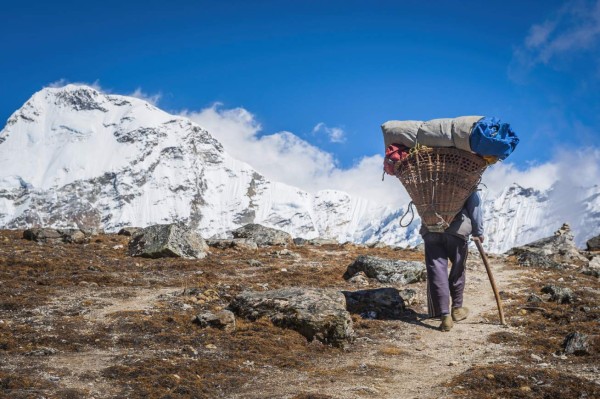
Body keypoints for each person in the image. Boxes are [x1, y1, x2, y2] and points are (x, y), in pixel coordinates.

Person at [419, 190, 484, 332]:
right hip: (457, 230)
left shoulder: (426, 179)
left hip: (431, 229)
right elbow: (474, 207)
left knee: (437, 271)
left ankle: (444, 315)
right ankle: (457, 308)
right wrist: (478, 232)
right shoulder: (464, 178)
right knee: (458, 268)